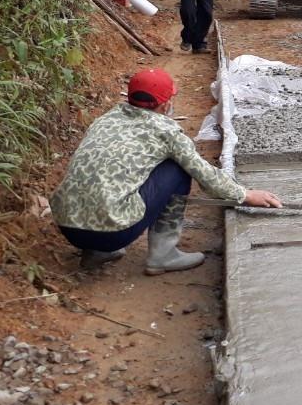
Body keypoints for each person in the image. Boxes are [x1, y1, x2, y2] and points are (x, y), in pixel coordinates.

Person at [49, 69, 282, 273]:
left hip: (67, 225)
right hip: (113, 232)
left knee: (117, 175)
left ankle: (95, 253)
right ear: (165, 104)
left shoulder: (104, 120)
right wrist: (244, 194)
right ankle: (164, 255)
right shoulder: (166, 130)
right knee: (177, 168)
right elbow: (203, 173)